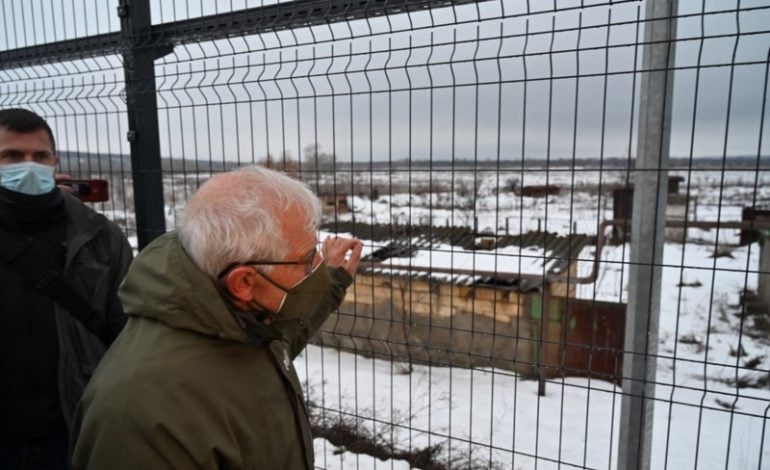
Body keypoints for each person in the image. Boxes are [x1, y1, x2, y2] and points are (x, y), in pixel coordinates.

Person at [71, 165, 363, 469]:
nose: (317, 263)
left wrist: (333, 278)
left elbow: (289, 333)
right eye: (307, 258)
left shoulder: (239, 320)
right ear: (244, 283)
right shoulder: (141, 417)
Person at [0, 108, 133, 469]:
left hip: (74, 429)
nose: (28, 165)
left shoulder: (99, 237)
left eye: (40, 156)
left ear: (54, 162)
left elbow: (129, 333)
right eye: (11, 156)